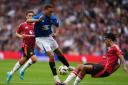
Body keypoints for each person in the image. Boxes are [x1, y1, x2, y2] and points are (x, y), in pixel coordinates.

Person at [27, 4, 74, 84]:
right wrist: (37, 20)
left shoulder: (53, 18)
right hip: (40, 39)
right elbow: (28, 20)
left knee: (59, 52)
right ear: (45, 10)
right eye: (49, 11)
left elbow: (57, 25)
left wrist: (56, 33)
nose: (51, 13)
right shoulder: (39, 16)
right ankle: (56, 78)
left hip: (49, 37)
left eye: (52, 12)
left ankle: (68, 66)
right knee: (51, 55)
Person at [63, 33, 128, 85]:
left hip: (103, 68)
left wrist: (124, 66)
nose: (104, 42)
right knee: (83, 69)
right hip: (101, 66)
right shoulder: (110, 48)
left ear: (109, 40)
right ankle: (68, 79)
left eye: (105, 40)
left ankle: (65, 83)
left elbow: (121, 57)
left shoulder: (115, 47)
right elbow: (118, 63)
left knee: (81, 67)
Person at [6, 10, 37, 83]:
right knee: (34, 59)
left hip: (32, 46)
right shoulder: (23, 25)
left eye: (32, 16)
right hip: (26, 45)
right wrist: (21, 36)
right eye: (29, 15)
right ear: (26, 16)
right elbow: (17, 33)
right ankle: (22, 70)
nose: (31, 17)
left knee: (22, 61)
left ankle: (10, 73)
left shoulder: (36, 25)